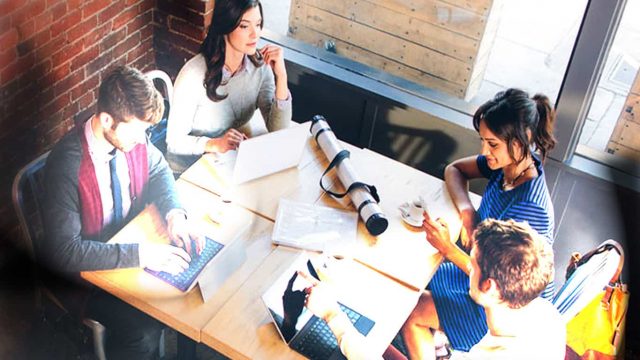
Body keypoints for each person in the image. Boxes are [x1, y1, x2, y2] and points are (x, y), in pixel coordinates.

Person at [42, 65, 203, 359]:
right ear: (106, 120)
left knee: (188, 293)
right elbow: (65, 252)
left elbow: (159, 170)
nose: (143, 140)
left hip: (128, 254)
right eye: (138, 130)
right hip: (85, 277)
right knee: (144, 331)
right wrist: (142, 255)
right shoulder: (65, 167)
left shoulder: (132, 140)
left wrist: (175, 215)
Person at [401, 88, 558, 358]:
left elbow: (498, 284)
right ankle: (439, 337)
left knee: (412, 311)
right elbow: (455, 169)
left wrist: (449, 249)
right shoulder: (508, 166)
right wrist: (467, 212)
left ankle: (432, 339)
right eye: (483, 141)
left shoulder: (530, 208)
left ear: (519, 143)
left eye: (492, 144)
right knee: (415, 273)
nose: (485, 151)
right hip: (479, 272)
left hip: (503, 307)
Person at [300, 219, 566, 360]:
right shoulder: (547, 317)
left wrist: (332, 316)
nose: (467, 268)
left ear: (489, 286)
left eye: (471, 265)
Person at [166, 0, 292, 174]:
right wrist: (214, 144)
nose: (255, 34)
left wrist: (282, 77)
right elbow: (174, 142)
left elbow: (279, 131)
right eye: (244, 26)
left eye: (258, 24)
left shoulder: (260, 68)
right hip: (189, 170)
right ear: (226, 27)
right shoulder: (193, 74)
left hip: (229, 164)